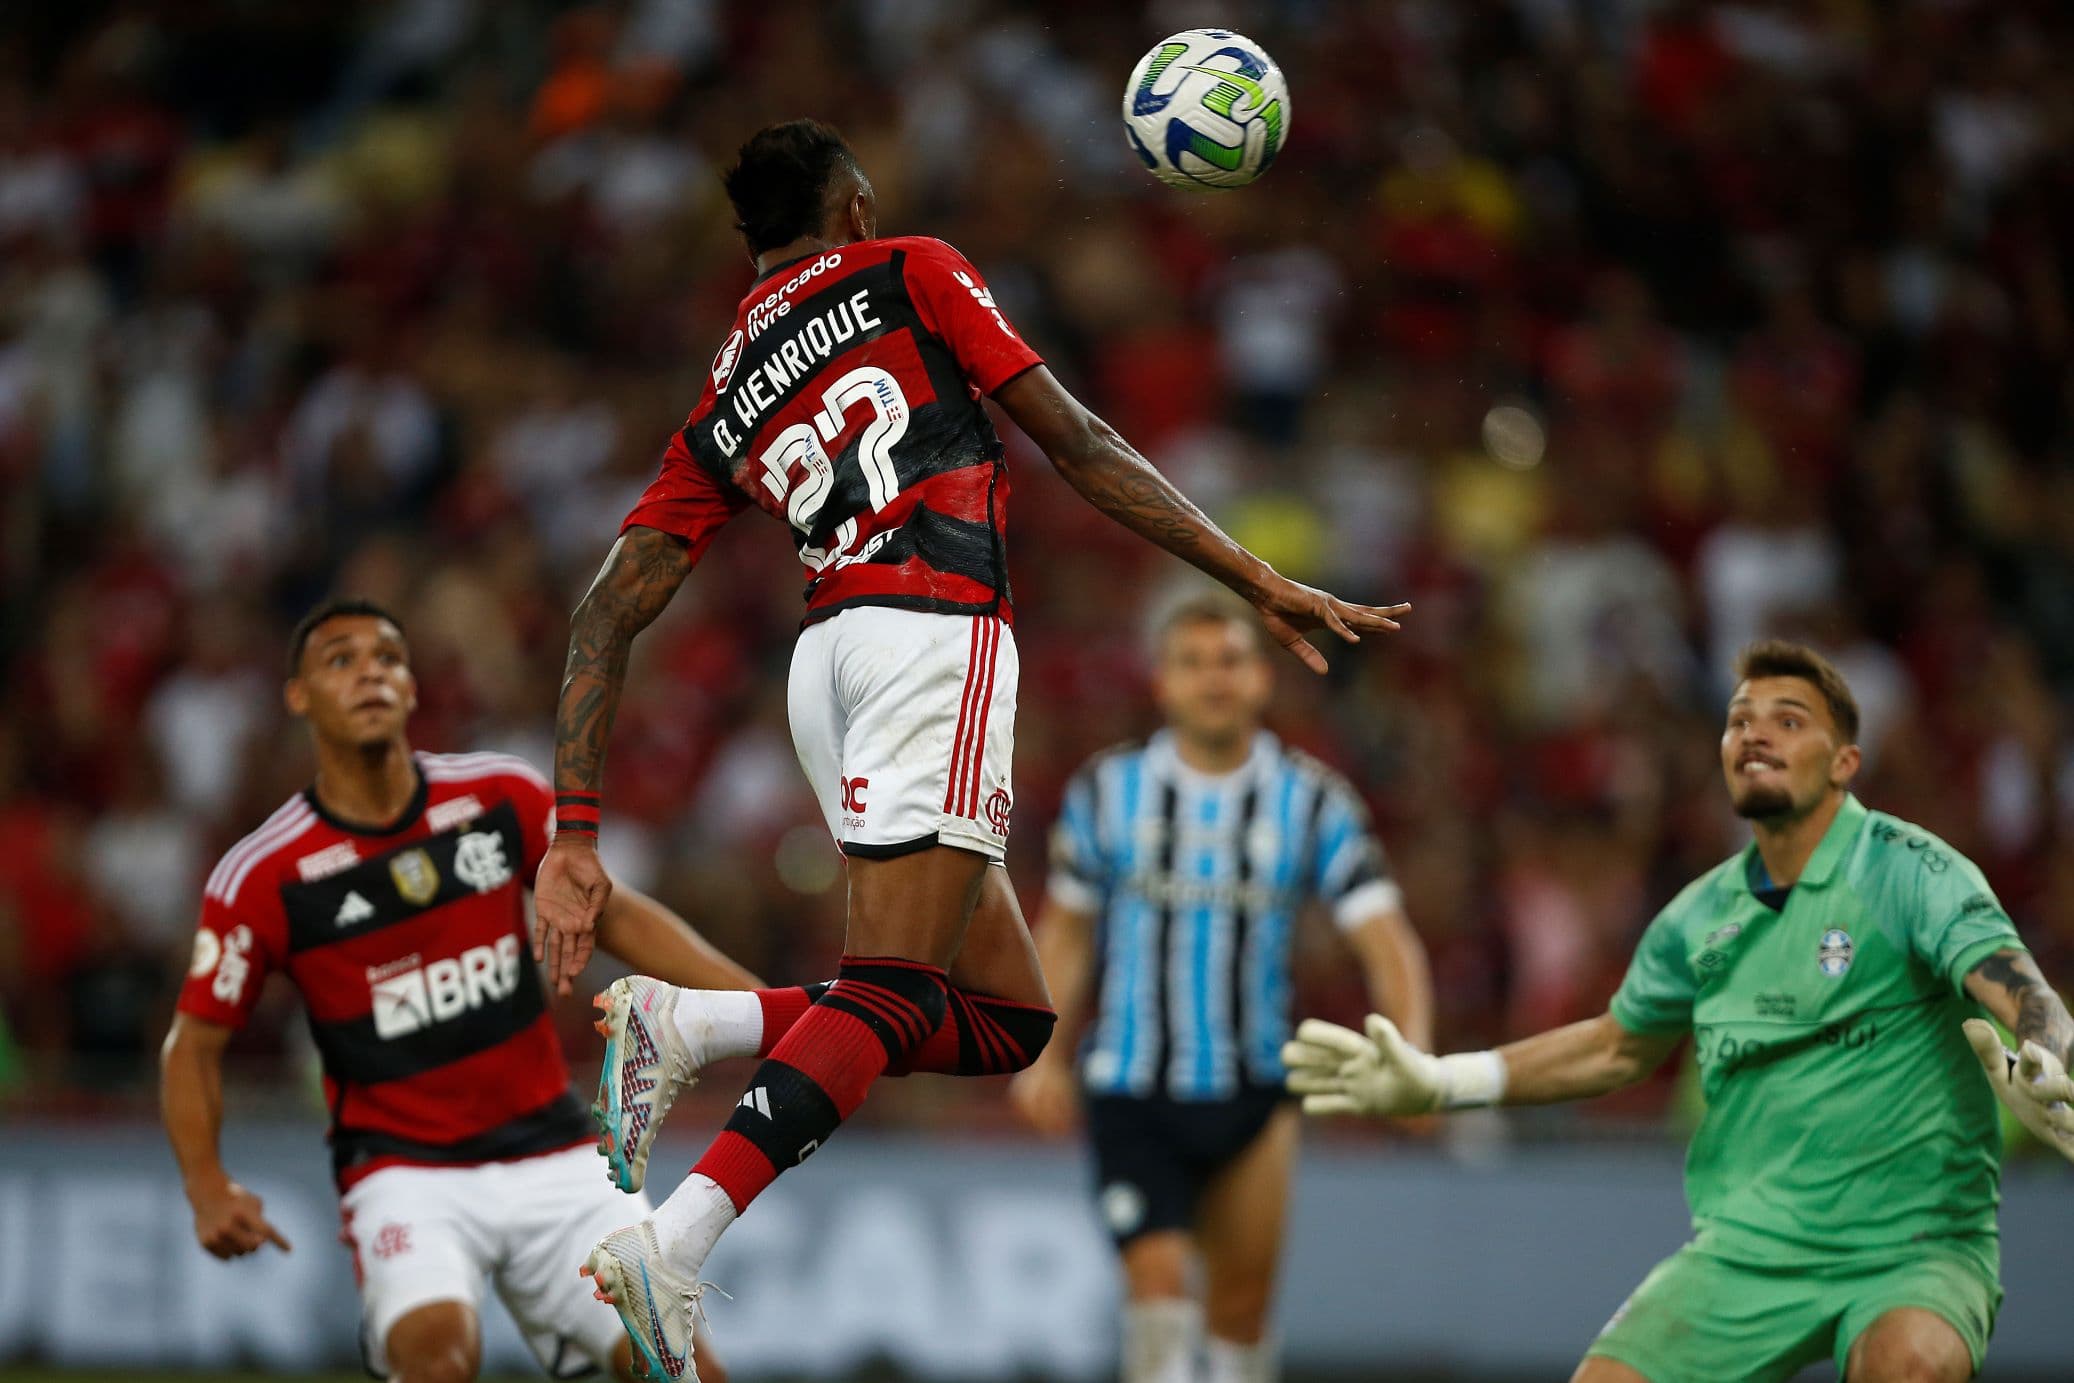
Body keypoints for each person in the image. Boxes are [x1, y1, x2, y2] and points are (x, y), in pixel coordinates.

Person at [528, 118, 1409, 1380]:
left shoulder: (726, 387)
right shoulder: (906, 267)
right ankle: (673, 1244)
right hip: (929, 632)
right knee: (886, 983)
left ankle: (695, 1023)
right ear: (856, 205)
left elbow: (605, 610)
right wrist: (1253, 575)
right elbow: (1080, 443)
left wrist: (575, 832)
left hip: (823, 664)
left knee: (1003, 1019)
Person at [1284, 640, 2074, 1383]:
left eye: (1788, 720)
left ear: (1844, 762)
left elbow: (2022, 987)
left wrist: (2046, 1047)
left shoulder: (1915, 870)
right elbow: (1615, 1047)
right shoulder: (1699, 916)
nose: (1755, 734)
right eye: (1740, 721)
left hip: (1916, 1243)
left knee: (1910, 1363)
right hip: (1748, 1252)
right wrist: (1439, 1079)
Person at [160, 599, 760, 1383]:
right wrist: (207, 1185)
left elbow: (614, 916)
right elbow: (192, 1045)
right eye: (340, 659)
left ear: (412, 688)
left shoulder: (496, 799)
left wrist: (767, 1010)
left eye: (387, 656)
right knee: (439, 1361)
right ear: (298, 696)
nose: (369, 671)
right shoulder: (264, 874)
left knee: (681, 1371)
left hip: (556, 1155)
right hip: (405, 1173)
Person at [1007, 593, 1433, 1383]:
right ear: (1162, 683)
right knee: (1160, 1297)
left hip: (1255, 1089)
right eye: (1193, 663)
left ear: (1261, 679)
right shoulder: (1108, 792)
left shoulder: (1312, 801)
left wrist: (1408, 1049)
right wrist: (1042, 1053)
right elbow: (1066, 933)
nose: (1214, 679)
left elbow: (1387, 938)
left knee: (1240, 1324)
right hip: (1132, 1087)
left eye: (1231, 660)